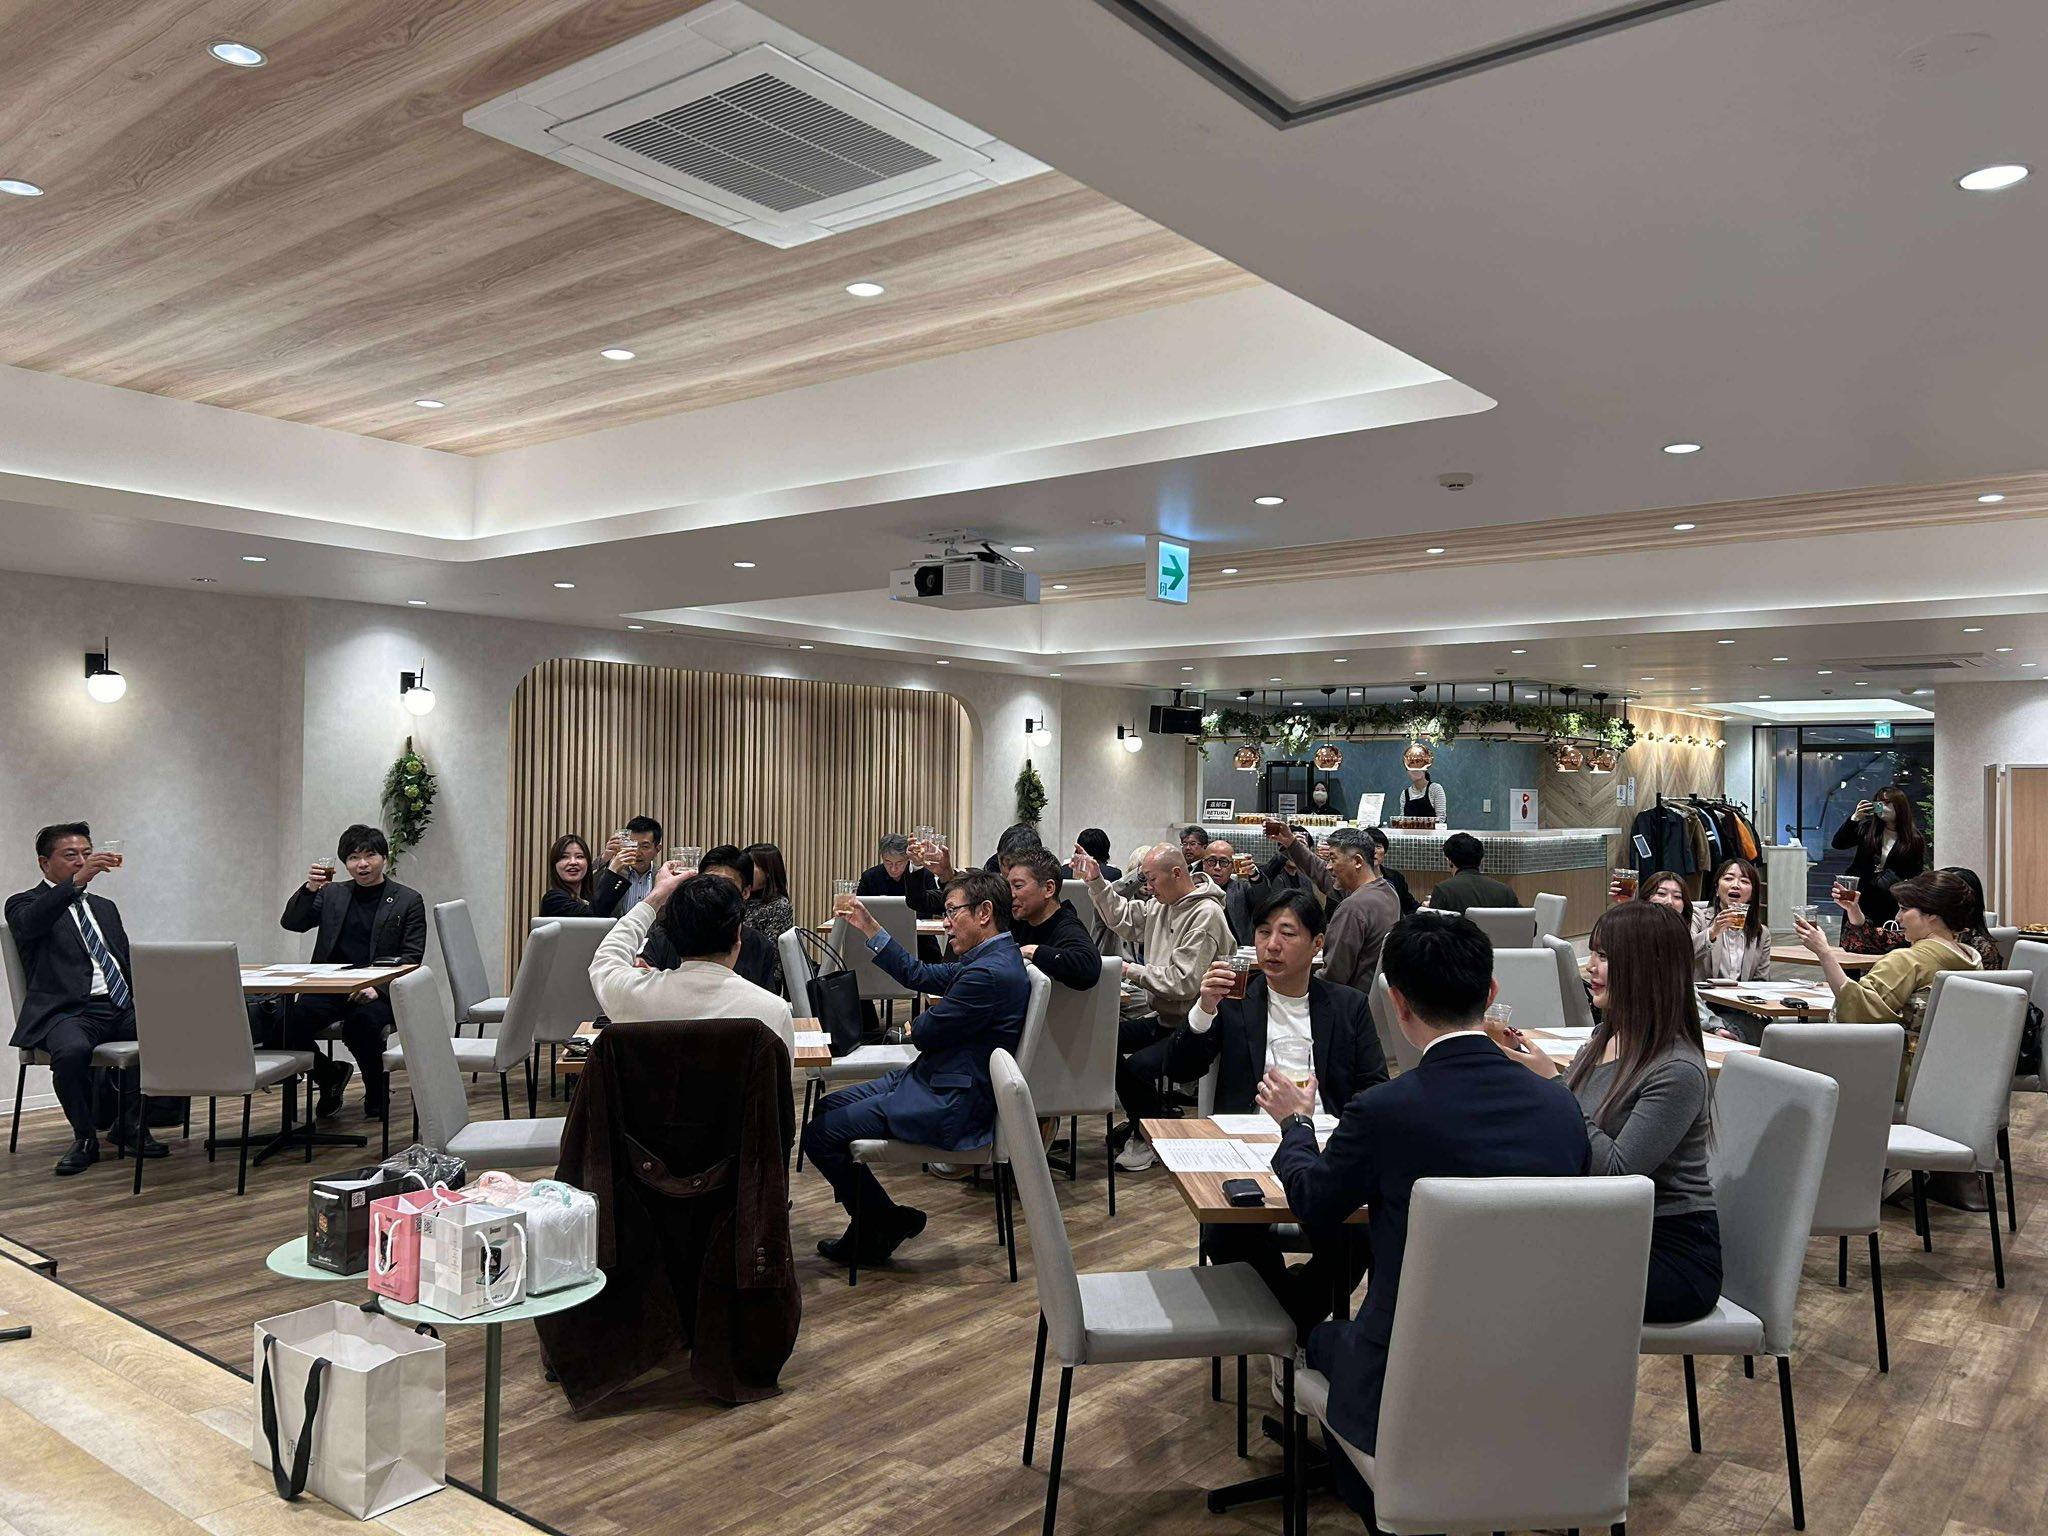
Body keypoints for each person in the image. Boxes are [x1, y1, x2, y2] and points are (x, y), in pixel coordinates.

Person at [1261, 912, 1588, 1521]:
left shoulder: (1386, 1111)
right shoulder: (1560, 1108)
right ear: (1490, 993)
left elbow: (1315, 1206)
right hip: (1534, 1371)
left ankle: (1385, 1498)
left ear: (1398, 1003)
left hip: (1407, 1371)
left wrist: (1296, 1125)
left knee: (1324, 1338)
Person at [1171, 890, 1387, 1338]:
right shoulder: (1235, 999)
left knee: (1360, 1236)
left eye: (1287, 933)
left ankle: (1286, 1326)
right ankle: (1299, 1329)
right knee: (1224, 1234)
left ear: (1317, 944)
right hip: (1245, 1148)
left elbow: (1373, 1087)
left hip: (1324, 1146)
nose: (1271, 945)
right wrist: (1203, 1009)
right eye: (1264, 932)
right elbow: (1180, 1069)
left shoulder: (1347, 1006)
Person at [1501, 900, 1721, 1325]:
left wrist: (1553, 1085)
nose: (1590, 967)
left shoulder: (1678, 1068)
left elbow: (1618, 1174)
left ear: (1647, 967)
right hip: (1600, 1227)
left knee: (1510, 1276)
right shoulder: (1606, 1035)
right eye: (1593, 954)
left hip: (1667, 1252)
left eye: (1604, 956)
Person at [803, 872, 1031, 1267]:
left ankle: (875, 1222)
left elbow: (922, 1034)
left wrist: (921, 1022)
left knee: (819, 1135)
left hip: (947, 1100)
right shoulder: (992, 958)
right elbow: (919, 975)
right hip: (931, 1078)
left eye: (951, 912)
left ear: (984, 913)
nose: (945, 923)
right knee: (825, 1110)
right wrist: (869, 927)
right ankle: (878, 1219)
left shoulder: (987, 974)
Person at [6, 823, 157, 1175]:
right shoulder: (24, 903)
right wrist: (74, 884)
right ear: (45, 863)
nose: (82, 861)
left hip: (119, 1005)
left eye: (87, 853)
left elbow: (122, 959)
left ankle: (129, 1123)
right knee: (71, 1052)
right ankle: (85, 1137)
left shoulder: (104, 907)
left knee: (171, 1034)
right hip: (68, 1012)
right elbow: (29, 926)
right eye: (71, 855)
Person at [1073, 843, 1233, 1171]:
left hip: (1199, 1026)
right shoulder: (1163, 904)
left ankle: (1150, 1136)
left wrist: (1130, 970)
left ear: (1176, 874)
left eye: (1151, 879)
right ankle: (1147, 1120)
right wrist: (1096, 881)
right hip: (1166, 1017)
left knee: (1137, 1068)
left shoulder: (1206, 914)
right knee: (1104, 1041)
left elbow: (1183, 983)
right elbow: (1122, 917)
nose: (1147, 886)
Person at [279, 824, 427, 1120]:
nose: (362, 864)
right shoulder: (332, 893)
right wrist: (310, 889)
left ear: (384, 857)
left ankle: (376, 1090)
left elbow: (411, 958)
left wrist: (378, 988)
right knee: (283, 1025)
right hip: (331, 986)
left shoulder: (407, 900)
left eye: (370, 855)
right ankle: (330, 1075)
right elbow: (293, 923)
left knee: (362, 1026)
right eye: (353, 857)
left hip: (378, 990)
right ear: (344, 863)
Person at [1797, 870, 1985, 1082]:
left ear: (1932, 914)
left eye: (1904, 909)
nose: (1897, 918)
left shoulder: (1910, 961)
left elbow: (1859, 1010)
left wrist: (1823, 952)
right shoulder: (1971, 959)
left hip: (1898, 1075)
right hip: (1954, 1072)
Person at [590, 859, 794, 1048]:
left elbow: (607, 955)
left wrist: (656, 896)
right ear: (738, 938)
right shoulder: (772, 1012)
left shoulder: (632, 995)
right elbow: (777, 1075)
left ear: (672, 937)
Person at [1267, 823, 1400, 994]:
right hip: (1373, 998)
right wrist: (1291, 843)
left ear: (1357, 861)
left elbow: (1332, 976)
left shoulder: (1353, 909)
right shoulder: (1388, 891)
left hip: (1350, 1002)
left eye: (1333, 859)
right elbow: (1321, 874)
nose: (1328, 866)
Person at [1838, 865, 2004, 967]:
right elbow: (1870, 941)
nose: (1897, 917)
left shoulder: (1975, 953)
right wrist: (1853, 909)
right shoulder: (1919, 938)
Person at [1003, 848, 1102, 991]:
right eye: (1009, 887)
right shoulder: (1017, 920)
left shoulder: (1066, 927)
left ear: (1049, 889)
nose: (1011, 894)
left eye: (1018, 886)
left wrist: (1032, 951)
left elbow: (1089, 967)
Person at [1829, 786, 1926, 926]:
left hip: (1889, 897)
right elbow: (1838, 843)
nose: (1882, 807)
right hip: (1860, 894)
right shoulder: (1868, 828)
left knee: (1884, 933)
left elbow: (1915, 874)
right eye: (1878, 803)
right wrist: (1855, 818)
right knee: (1855, 933)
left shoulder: (1913, 839)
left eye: (1887, 802)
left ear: (1899, 805)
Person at [1694, 856, 1770, 982]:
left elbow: (1761, 981)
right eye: (1728, 878)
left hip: (1742, 994)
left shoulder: (1761, 933)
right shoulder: (1698, 917)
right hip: (1704, 994)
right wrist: (1712, 932)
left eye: (1744, 881)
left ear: (1752, 894)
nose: (1736, 885)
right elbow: (1683, 953)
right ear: (1717, 889)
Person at [1426, 832, 1517, 914]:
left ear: (1449, 861)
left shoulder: (1443, 890)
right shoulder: (1506, 892)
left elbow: (1434, 925)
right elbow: (1521, 920)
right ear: (1481, 861)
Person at [856, 834, 944, 918]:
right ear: (882, 857)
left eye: (899, 863)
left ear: (908, 858)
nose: (893, 869)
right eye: (888, 862)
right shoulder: (869, 877)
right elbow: (858, 908)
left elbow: (934, 909)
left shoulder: (924, 874)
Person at [592, 816, 665, 918]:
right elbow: (588, 887)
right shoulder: (614, 874)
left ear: (657, 849)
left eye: (645, 846)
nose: (637, 853)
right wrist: (605, 858)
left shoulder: (663, 877)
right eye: (632, 845)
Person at [1203, 839, 1264, 945]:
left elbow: (1264, 901)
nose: (1217, 867)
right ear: (1203, 864)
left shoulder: (1242, 888)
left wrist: (1254, 875)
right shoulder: (1193, 889)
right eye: (1211, 861)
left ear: (1232, 867)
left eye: (1224, 862)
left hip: (1238, 950)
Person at [742, 842, 794, 948]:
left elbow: (770, 949)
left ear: (768, 872)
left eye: (750, 867)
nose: (744, 872)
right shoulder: (737, 898)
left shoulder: (779, 905)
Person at [539, 834, 602, 918]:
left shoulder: (589, 899)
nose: (573, 862)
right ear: (555, 865)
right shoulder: (553, 899)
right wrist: (613, 871)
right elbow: (592, 916)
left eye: (579, 856)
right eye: (564, 857)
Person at [1362, 826, 1418, 916]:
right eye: (1369, 846)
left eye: (1378, 846)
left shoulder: (1395, 877)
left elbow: (1410, 907)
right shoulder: (1353, 878)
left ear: (1385, 852)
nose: (1374, 851)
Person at [1396, 741, 1447, 822]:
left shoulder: (1435, 789)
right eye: (1412, 768)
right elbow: (1403, 820)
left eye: (1418, 767)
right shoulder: (1404, 794)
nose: (1415, 771)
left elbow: (1441, 819)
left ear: (1425, 769)